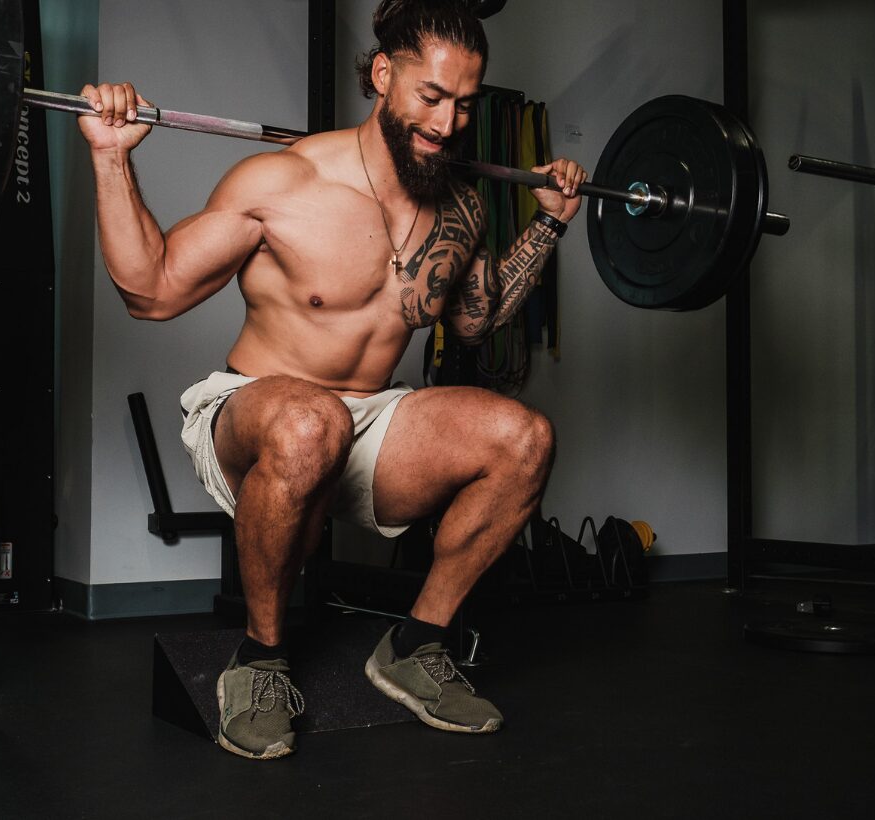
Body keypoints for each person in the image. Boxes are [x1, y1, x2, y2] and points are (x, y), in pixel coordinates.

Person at [79, 0, 585, 760]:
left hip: (368, 422)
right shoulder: (283, 181)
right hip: (257, 414)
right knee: (311, 420)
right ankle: (259, 660)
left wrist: (548, 223)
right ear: (384, 75)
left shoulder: (461, 206)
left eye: (463, 105)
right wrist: (111, 156)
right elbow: (149, 292)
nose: (448, 125)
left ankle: (417, 647)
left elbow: (477, 322)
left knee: (524, 437)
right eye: (431, 97)